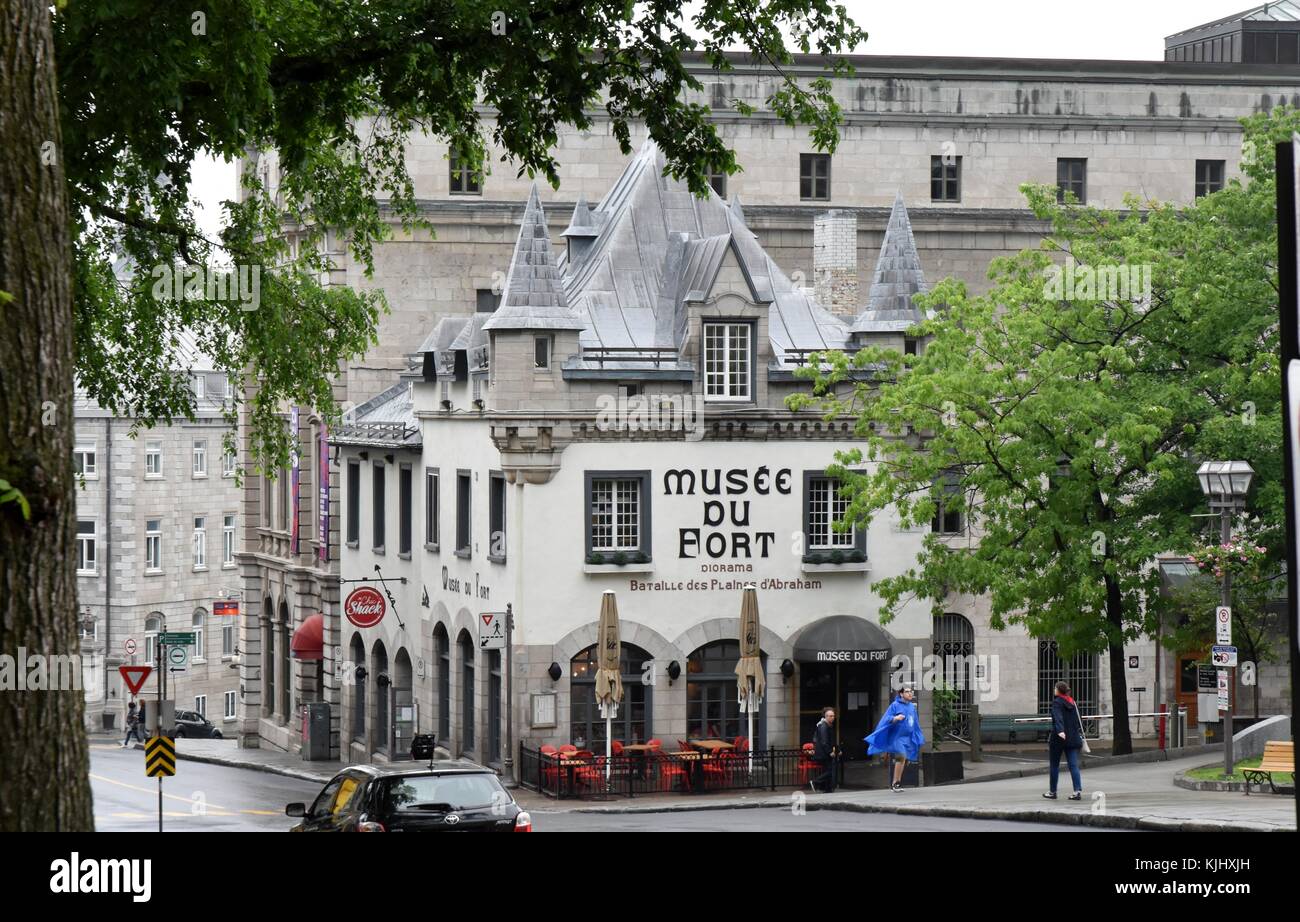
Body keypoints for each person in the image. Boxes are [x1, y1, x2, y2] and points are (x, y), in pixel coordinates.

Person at [865, 685, 925, 792]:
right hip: (897, 737)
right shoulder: (895, 705)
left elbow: (915, 722)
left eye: (911, 691)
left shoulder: (911, 706)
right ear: (901, 694)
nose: (910, 693)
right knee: (901, 757)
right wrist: (895, 718)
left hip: (907, 737)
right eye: (907, 691)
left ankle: (897, 782)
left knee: (904, 760)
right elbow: (886, 719)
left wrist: (917, 734)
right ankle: (895, 783)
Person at [1044, 681, 1084, 800]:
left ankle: (1053, 792)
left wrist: (1061, 731)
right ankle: (1077, 792)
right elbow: (1079, 720)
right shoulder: (1073, 702)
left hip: (1059, 738)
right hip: (1073, 737)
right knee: (1073, 765)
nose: (1054, 690)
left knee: (1054, 765)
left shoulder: (1057, 702)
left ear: (1058, 690)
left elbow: (1058, 717)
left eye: (1055, 688)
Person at [811, 707, 837, 793]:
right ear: (825, 716)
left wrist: (837, 750)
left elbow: (831, 740)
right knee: (830, 771)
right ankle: (815, 782)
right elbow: (824, 741)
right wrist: (830, 752)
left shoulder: (827, 726)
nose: (832, 717)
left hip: (824, 752)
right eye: (830, 716)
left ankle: (827, 789)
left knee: (828, 770)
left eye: (833, 716)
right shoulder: (824, 726)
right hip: (823, 753)